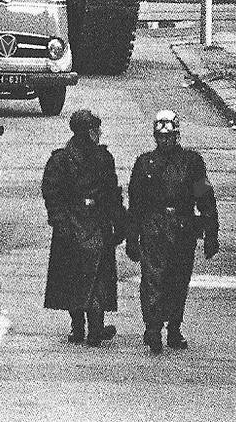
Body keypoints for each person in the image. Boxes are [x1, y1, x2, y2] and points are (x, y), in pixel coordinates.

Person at [126, 110, 219, 355]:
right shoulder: (144, 163)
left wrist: (211, 233)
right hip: (154, 228)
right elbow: (135, 203)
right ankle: (153, 327)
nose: (164, 140)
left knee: (179, 279)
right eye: (160, 136)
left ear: (177, 135)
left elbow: (205, 197)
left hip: (182, 227)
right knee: (152, 279)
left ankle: (174, 327)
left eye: (169, 136)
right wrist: (132, 236)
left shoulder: (192, 163)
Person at [42, 110, 126, 346]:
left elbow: (111, 192)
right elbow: (52, 192)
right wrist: (59, 219)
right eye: (95, 130)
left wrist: (119, 222)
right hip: (76, 221)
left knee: (92, 274)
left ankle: (93, 327)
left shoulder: (100, 159)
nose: (98, 135)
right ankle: (80, 326)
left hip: (93, 220)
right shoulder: (62, 160)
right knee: (78, 274)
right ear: (88, 132)